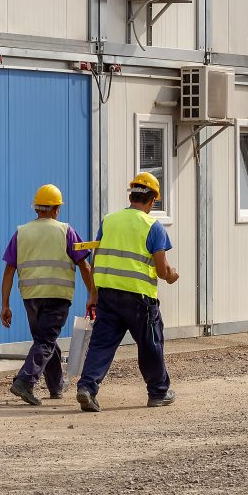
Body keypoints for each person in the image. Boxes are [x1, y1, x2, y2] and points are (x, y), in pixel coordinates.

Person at [75, 171, 179, 411]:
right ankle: (158, 392)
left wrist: (93, 294)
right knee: (150, 343)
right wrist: (172, 276)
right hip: (139, 298)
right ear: (153, 200)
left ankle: (87, 388)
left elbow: (97, 258)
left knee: (101, 344)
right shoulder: (153, 226)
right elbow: (162, 270)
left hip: (108, 295)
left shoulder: (109, 220)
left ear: (132, 195)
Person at [0, 183, 96, 406]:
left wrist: (5, 304)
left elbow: (9, 270)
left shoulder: (21, 233)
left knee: (44, 339)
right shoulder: (66, 231)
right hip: (58, 295)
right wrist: (93, 293)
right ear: (55, 209)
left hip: (30, 297)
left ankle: (56, 386)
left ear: (36, 209)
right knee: (45, 340)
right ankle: (25, 380)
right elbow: (84, 266)